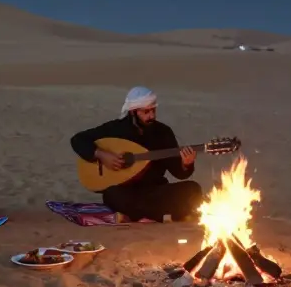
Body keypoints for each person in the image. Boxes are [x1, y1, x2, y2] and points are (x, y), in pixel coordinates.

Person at [69, 86, 203, 222]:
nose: (151, 116)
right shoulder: (115, 129)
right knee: (112, 195)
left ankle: (140, 216)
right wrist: (102, 155)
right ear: (133, 112)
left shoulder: (163, 132)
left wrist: (187, 163)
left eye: (153, 110)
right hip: (127, 192)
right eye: (146, 112)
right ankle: (161, 215)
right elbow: (78, 140)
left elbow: (179, 173)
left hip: (155, 190)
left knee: (193, 189)